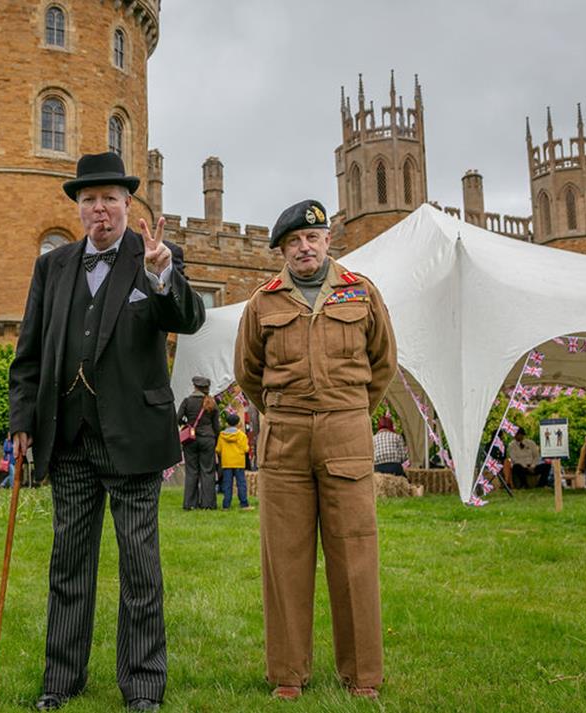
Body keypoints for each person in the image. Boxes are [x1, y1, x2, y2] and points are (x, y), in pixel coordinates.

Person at [9, 151, 206, 712]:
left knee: (139, 567)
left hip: (134, 438)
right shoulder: (54, 267)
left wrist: (163, 273)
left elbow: (187, 319)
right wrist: (22, 419)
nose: (101, 210)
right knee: (68, 562)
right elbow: (29, 353)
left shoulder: (154, 259)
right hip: (69, 437)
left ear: (128, 206)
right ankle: (61, 681)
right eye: (90, 200)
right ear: (78, 208)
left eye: (111, 200)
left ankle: (142, 687)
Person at [235, 198, 396, 701]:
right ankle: (288, 673)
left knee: (355, 553)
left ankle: (362, 674)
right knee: (285, 557)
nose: (303, 248)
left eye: (311, 238)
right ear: (282, 250)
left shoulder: (362, 293)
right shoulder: (263, 302)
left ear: (328, 241)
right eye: (293, 242)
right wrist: (288, 411)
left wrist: (345, 410)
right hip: (283, 437)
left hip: (346, 433)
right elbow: (249, 372)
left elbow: (383, 363)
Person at [177, 375, 219, 510]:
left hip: (191, 440)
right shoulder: (212, 403)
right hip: (208, 439)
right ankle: (208, 504)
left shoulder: (187, 401)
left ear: (195, 386)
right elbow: (216, 426)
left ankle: (190, 504)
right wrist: (215, 440)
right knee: (207, 471)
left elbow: (177, 419)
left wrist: (187, 423)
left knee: (192, 471)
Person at [215, 411, 250, 509]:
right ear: (238, 423)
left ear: (227, 423)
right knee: (241, 483)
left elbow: (218, 449)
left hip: (227, 463)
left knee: (227, 484)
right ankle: (244, 504)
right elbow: (246, 449)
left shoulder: (222, 435)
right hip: (239, 462)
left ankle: (226, 505)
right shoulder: (242, 435)